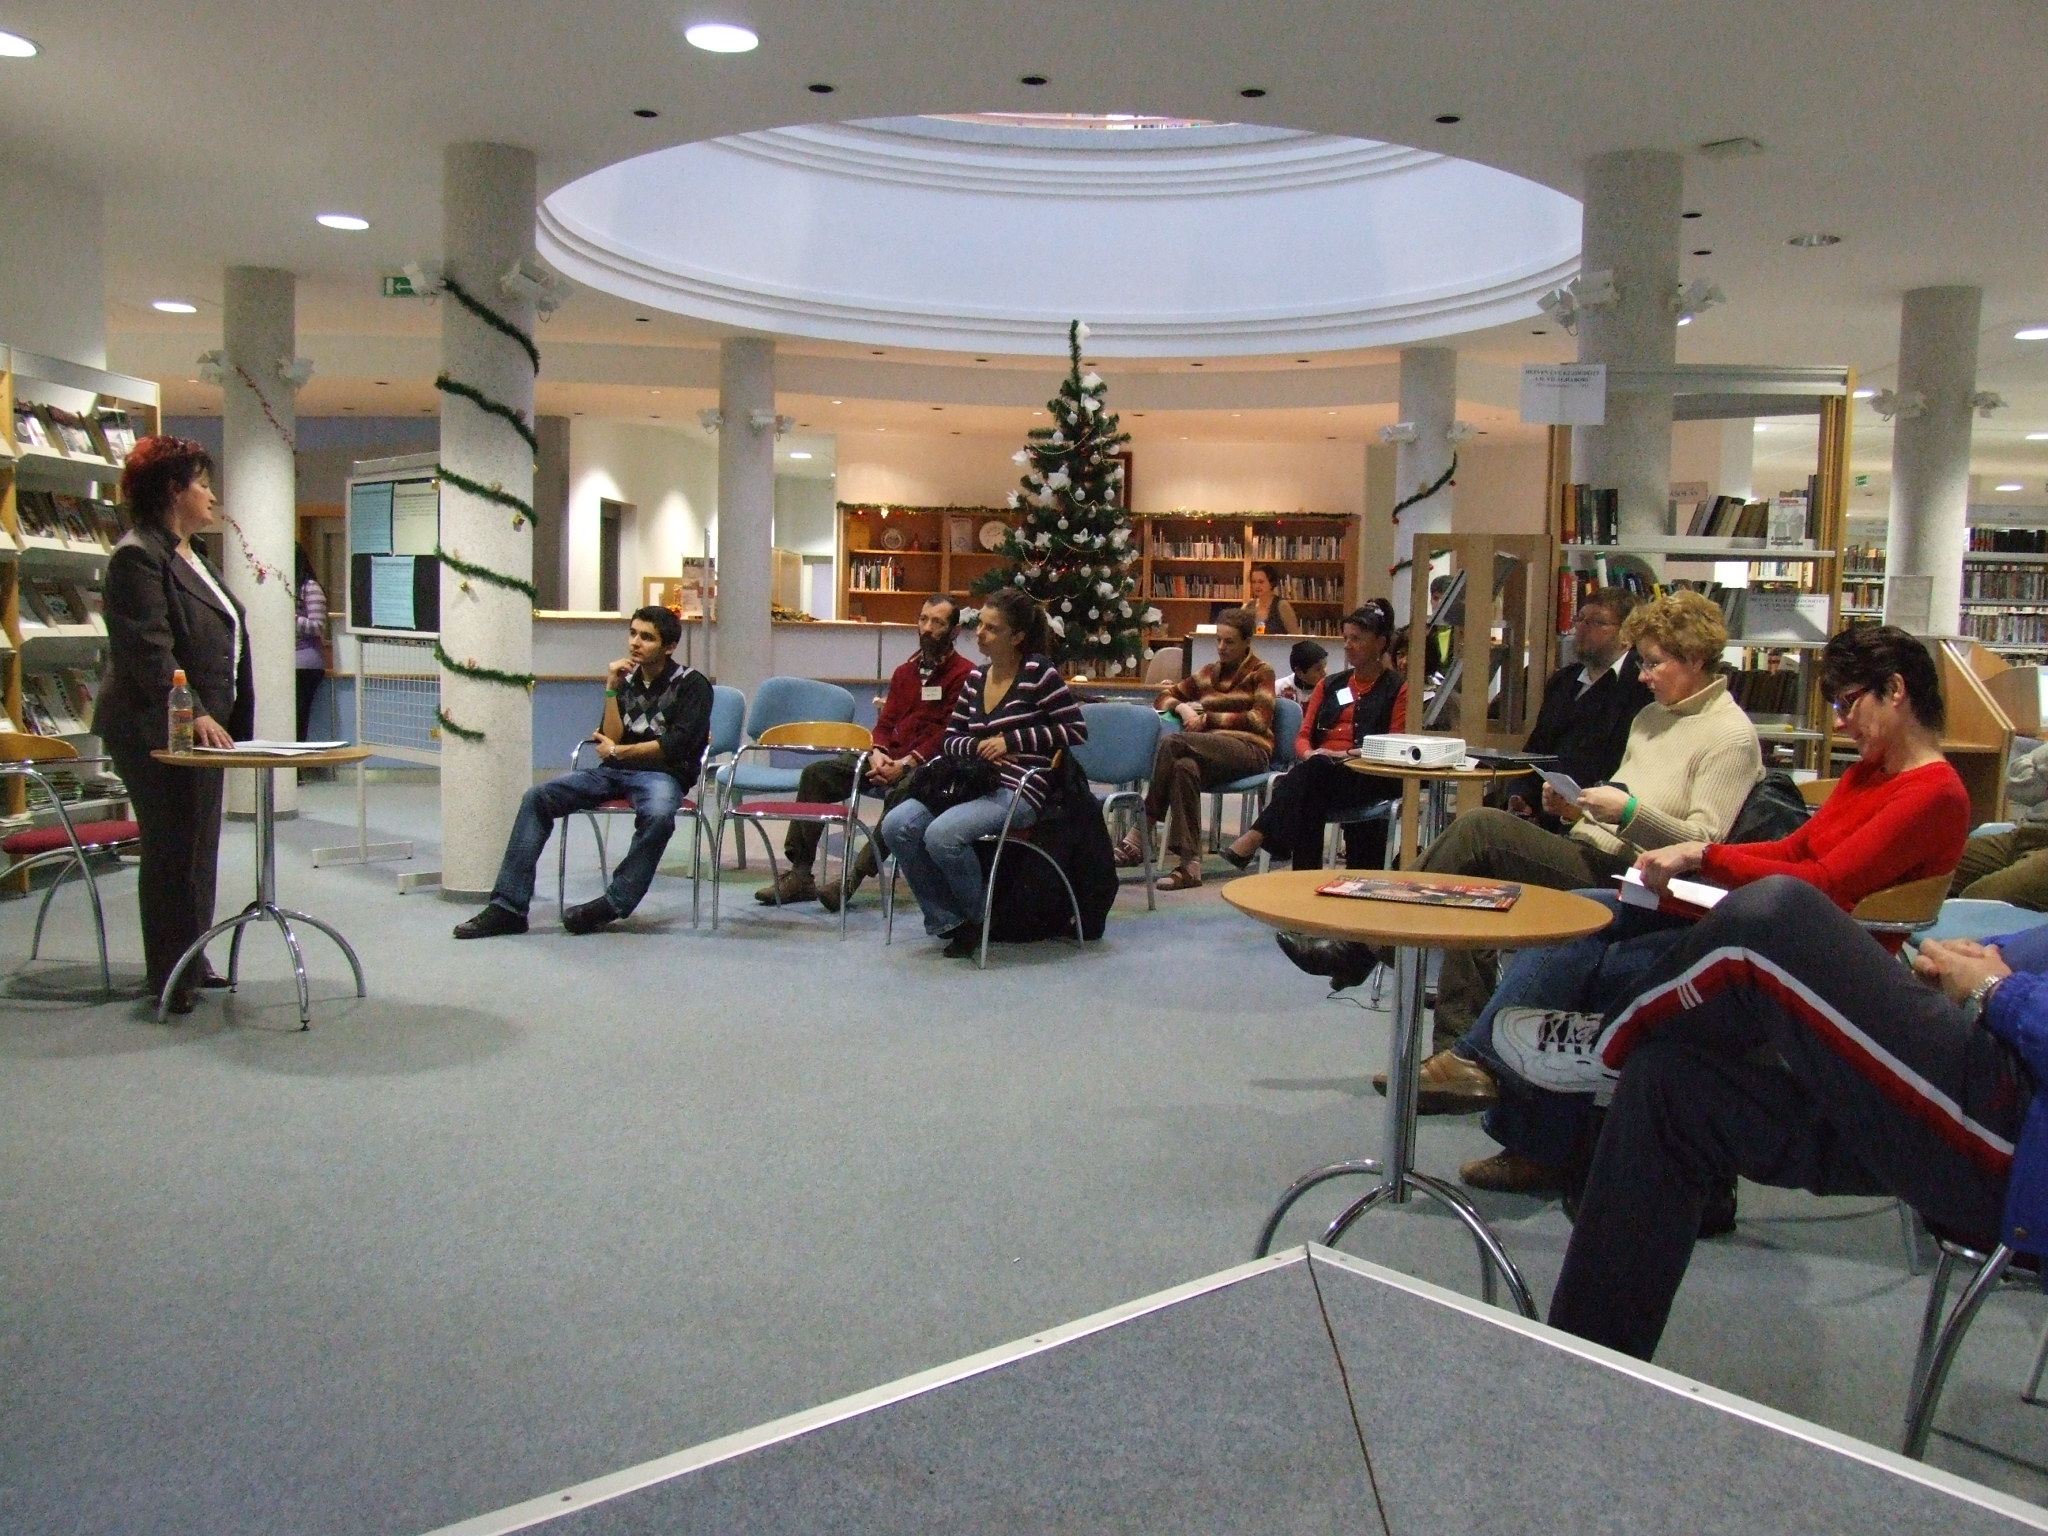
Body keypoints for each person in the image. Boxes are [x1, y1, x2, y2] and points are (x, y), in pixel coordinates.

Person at [1448, 625, 1973, 1195]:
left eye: (1848, 703)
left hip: (1820, 963)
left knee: (1607, 962)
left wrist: (1704, 854)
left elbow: (1823, 884)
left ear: (1894, 690)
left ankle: (1543, 1089)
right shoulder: (1870, 774)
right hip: (1778, 929)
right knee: (1582, 915)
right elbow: (1795, 852)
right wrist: (1701, 860)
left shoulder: (1933, 793)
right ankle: (1494, 1068)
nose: (1842, 722)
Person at [1545, 875, 2037, 1363]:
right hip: (2017, 1050)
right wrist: (1993, 955)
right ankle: (1581, 1376)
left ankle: (1606, 1050)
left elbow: (1832, 871)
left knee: (1771, 916)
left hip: (2028, 1145)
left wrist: (2000, 989)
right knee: (1668, 1082)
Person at [1276, 590, 1762, 1047]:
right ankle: (1453, 1049)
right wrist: (1579, 807)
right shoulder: (1652, 716)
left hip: (1639, 880)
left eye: (1653, 663)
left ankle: (1363, 948)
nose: (1642, 675)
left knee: (1480, 830)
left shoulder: (1729, 736)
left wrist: (1628, 812)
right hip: (1591, 846)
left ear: (1695, 659)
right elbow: (1624, 796)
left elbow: (1704, 845)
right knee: (1468, 883)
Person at [93, 436, 255, 1015]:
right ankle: (170, 972)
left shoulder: (193, 554)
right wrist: (199, 712)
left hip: (201, 727)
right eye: (202, 484)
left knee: (199, 846)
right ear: (172, 490)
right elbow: (149, 650)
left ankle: (192, 958)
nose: (211, 495)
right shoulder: (138, 556)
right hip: (158, 728)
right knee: (172, 848)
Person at [453, 606, 710, 939]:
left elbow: (675, 745)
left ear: (669, 646)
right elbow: (610, 737)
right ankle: (508, 908)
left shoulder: (692, 684)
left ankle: (615, 902)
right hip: (613, 771)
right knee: (538, 797)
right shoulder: (627, 679)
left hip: (662, 775)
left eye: (647, 638)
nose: (635, 643)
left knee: (660, 816)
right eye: (633, 633)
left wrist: (619, 752)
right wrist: (611, 688)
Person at [880, 587, 1087, 957]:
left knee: (942, 835)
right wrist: (978, 747)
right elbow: (951, 739)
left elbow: (1075, 730)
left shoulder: (1039, 672)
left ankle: (980, 920)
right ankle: (950, 920)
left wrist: (1011, 741)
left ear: (1017, 637)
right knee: (896, 825)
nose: (980, 633)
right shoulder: (977, 678)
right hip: (970, 781)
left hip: (1019, 788)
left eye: (992, 628)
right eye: (980, 625)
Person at [757, 594, 974, 911]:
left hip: (926, 765)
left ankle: (852, 879)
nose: (927, 628)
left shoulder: (965, 674)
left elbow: (948, 732)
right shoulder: (905, 672)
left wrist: (906, 763)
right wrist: (877, 751)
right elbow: (886, 722)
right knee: (817, 775)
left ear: (954, 631)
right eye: (923, 619)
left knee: (903, 793)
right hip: (887, 757)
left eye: (937, 622)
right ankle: (801, 873)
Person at [1220, 601, 1407, 872]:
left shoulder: (1398, 688)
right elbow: (1303, 736)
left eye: (1356, 639)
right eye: (1345, 638)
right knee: (1312, 784)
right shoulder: (1329, 684)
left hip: (1367, 773)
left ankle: (1259, 839)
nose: (1347, 645)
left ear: (1380, 643)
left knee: (1307, 781)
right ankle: (1289, 863)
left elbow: (1394, 743)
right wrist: (1310, 753)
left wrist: (1341, 755)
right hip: (1322, 773)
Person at [1118, 608, 1276, 891]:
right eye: (1218, 640)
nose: (1221, 647)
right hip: (1211, 753)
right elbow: (1163, 697)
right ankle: (1190, 866)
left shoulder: (1261, 672)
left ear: (1246, 642)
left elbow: (1260, 719)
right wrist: (1183, 708)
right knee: (1183, 768)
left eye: (1229, 641)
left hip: (1250, 750)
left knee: (1174, 742)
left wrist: (1209, 719)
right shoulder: (1207, 674)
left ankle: (1143, 828)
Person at [1491, 588, 1650, 831]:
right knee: (1483, 820)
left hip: (1595, 817)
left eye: (1598, 622)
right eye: (1581, 619)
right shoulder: (1563, 681)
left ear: (1627, 635)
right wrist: (1520, 795)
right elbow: (1537, 750)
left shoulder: (1640, 685)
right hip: (1543, 807)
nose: (1583, 628)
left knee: (1480, 827)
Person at [1944, 739, 2048, 909]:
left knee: (1977, 902)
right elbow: (2015, 783)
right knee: (1930, 870)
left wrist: (2040, 772)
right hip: (2027, 833)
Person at [294, 544, 328, 740]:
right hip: (288, 662)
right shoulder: (287, 588)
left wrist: (291, 619)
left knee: (298, 718)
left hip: (306, 662)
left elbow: (318, 626)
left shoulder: (310, 587)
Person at [1245, 565, 1300, 636]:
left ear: (1271, 583)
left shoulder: (1281, 605)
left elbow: (1295, 635)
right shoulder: (1249, 607)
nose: (1257, 586)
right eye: (1253, 582)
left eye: (1261, 582)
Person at [1274, 640, 1328, 704]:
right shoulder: (1277, 689)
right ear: (1299, 673)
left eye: (1325, 666)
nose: (1324, 673)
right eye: (1318, 669)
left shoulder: (1330, 689)